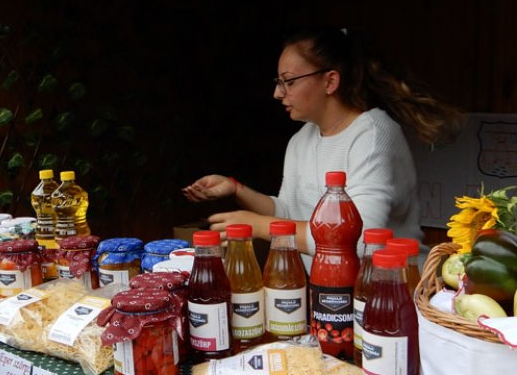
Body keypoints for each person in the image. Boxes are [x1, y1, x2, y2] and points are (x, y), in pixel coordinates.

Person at [182, 26, 463, 271]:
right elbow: (290, 213)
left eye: (288, 81)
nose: (278, 93)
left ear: (330, 81)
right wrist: (236, 189)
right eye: (278, 83)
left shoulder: (373, 134)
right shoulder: (301, 140)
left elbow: (360, 239)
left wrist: (258, 225)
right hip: (330, 294)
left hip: (392, 289)